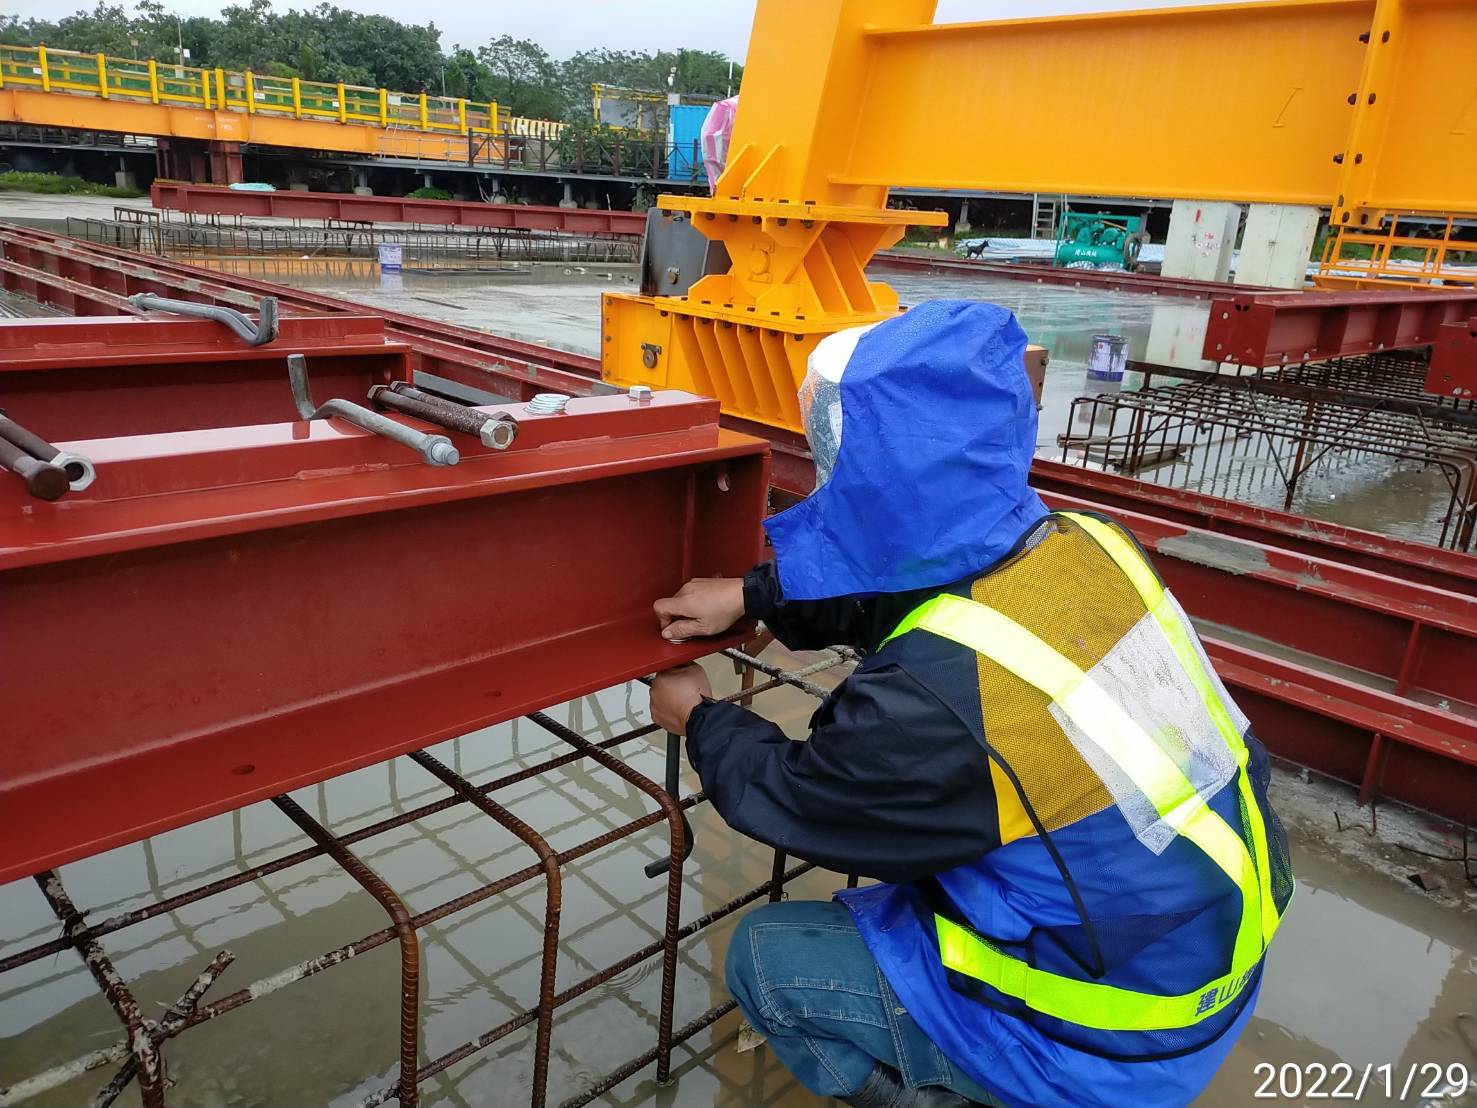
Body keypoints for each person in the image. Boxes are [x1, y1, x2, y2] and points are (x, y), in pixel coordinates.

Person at [647, 300, 1293, 1108]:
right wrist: (755, 596)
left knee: (771, 960)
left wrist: (700, 719)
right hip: (1208, 960)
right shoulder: (1089, 544)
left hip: (1110, 1041)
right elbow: (922, 582)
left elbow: (796, 795)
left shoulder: (934, 700)